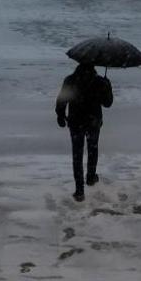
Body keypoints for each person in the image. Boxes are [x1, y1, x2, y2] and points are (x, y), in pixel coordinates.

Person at [55, 61, 114, 202]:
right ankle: (91, 177)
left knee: (77, 154)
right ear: (93, 68)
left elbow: (62, 100)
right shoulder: (99, 81)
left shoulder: (70, 80)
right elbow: (108, 103)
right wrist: (108, 86)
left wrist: (60, 115)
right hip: (93, 121)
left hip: (76, 121)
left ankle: (79, 190)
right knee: (93, 149)